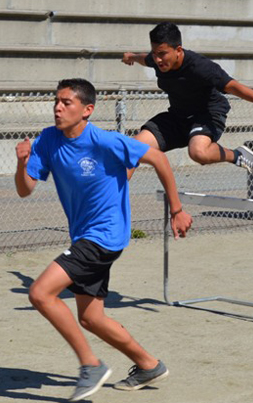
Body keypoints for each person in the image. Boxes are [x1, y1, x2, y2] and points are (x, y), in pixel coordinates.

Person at [14, 78, 192, 401]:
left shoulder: (105, 141)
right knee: (91, 317)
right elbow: (25, 189)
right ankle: (148, 365)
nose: (58, 107)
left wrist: (176, 210)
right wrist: (22, 162)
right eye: (56, 101)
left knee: (40, 293)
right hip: (86, 235)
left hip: (104, 236)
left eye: (67, 102)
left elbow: (160, 159)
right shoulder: (47, 140)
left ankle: (90, 365)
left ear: (87, 110)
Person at [122, 21, 253, 179]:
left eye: (162, 54)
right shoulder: (157, 60)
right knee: (132, 149)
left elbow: (233, 86)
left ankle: (237, 156)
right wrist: (131, 57)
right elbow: (144, 59)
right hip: (178, 116)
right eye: (155, 53)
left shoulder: (201, 67)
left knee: (198, 153)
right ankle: (114, 203)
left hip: (207, 114)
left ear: (178, 50)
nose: (158, 60)